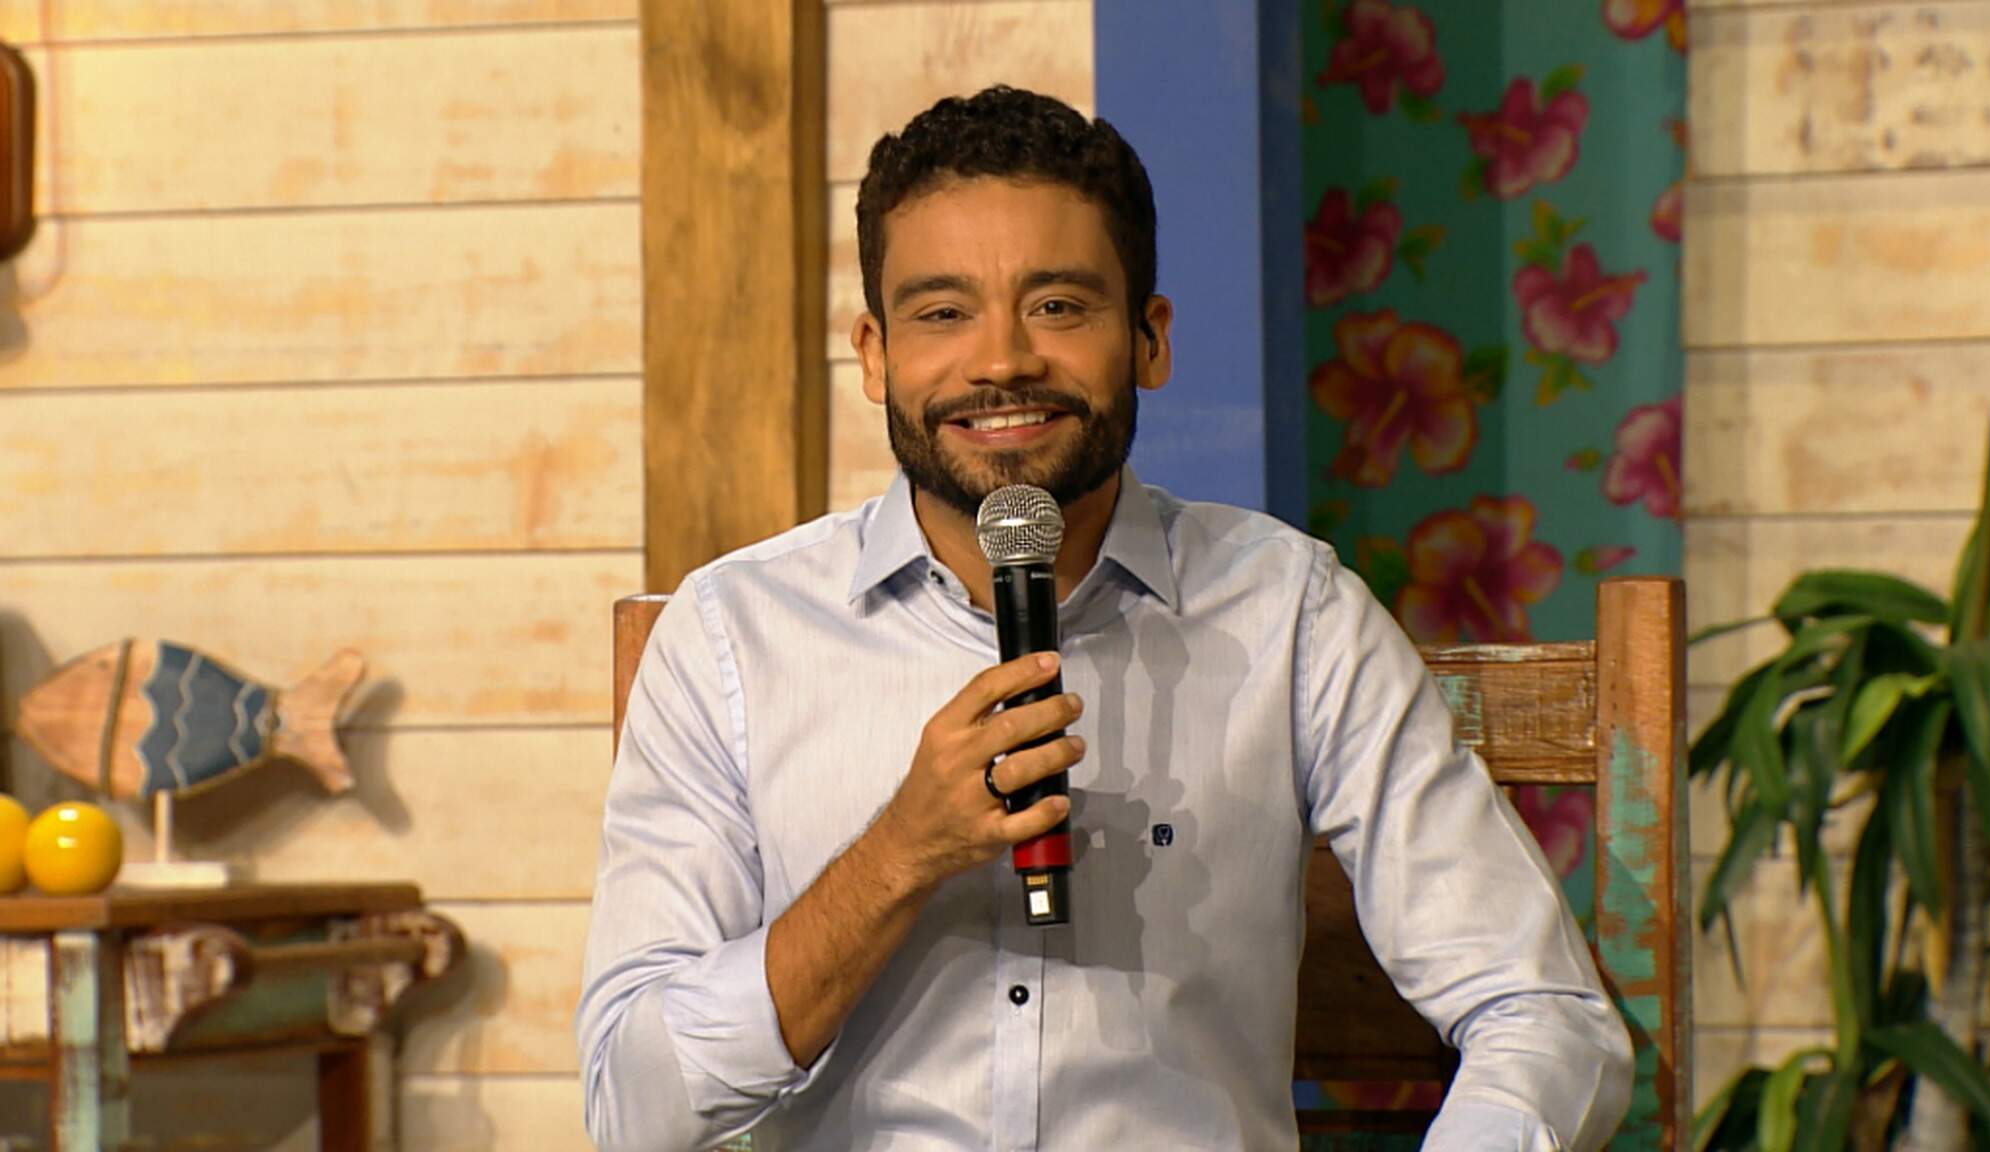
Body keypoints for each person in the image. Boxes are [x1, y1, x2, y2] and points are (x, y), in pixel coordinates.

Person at [578, 85, 1632, 1152]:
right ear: (874, 355)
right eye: (942, 314)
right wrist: (898, 854)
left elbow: (1543, 1014)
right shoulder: (734, 636)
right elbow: (635, 1106)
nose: (1001, 361)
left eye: (1057, 306)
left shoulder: (1291, 614)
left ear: (1149, 340)